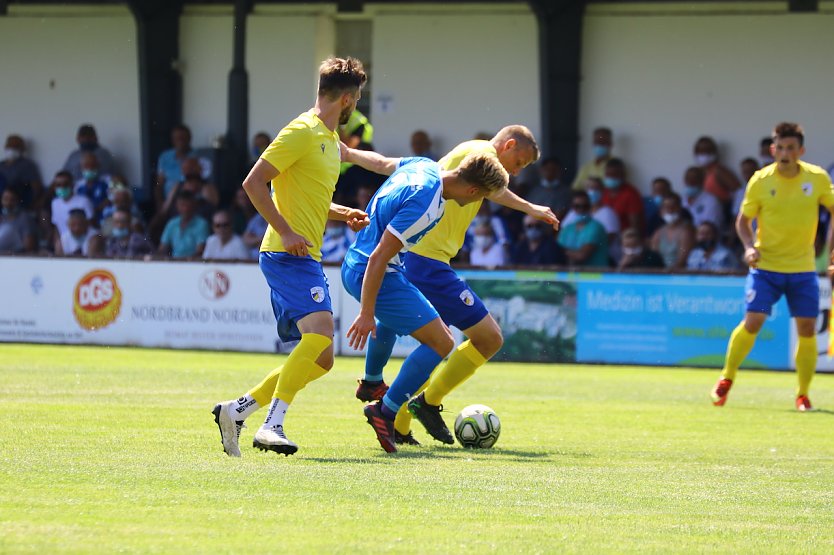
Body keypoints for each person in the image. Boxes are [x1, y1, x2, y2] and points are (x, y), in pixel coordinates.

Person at [350, 126, 556, 446]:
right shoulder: (481, 155)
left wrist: (347, 154)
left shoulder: (472, 158)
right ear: (509, 145)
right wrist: (531, 208)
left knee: (433, 340)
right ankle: (421, 404)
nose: (517, 171)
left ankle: (397, 415)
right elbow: (491, 189)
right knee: (484, 338)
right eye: (520, 161)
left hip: (427, 259)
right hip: (425, 261)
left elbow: (388, 165)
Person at [210, 57, 369, 457]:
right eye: (357, 100)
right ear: (347, 98)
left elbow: (306, 195)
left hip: (304, 254)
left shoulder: (331, 141)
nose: (356, 108)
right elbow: (254, 182)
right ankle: (272, 425)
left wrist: (341, 212)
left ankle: (236, 410)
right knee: (318, 333)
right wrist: (285, 231)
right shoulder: (301, 130)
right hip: (285, 253)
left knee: (322, 358)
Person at [340, 147, 509, 452]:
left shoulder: (423, 166)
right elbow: (379, 258)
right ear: (472, 190)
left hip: (356, 263)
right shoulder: (427, 204)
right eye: (481, 198)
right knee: (442, 342)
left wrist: (348, 152)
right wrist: (365, 311)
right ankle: (385, 411)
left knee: (390, 322)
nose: (477, 204)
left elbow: (381, 162)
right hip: (374, 271)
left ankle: (372, 381)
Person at [711, 122, 834, 412]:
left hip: (802, 268)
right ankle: (727, 377)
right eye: (780, 147)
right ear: (772, 149)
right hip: (766, 267)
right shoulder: (760, 180)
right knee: (753, 321)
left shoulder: (816, 178)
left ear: (801, 151)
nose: (785, 153)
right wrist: (749, 247)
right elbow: (743, 221)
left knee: (806, 329)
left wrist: (831, 257)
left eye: (791, 148)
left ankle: (802, 395)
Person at [155, 124, 212, 208]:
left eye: (183, 138)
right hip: (168, 202)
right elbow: (159, 184)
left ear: (189, 139)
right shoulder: (165, 156)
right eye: (176, 138)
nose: (180, 141)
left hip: (189, 201)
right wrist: (159, 203)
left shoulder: (198, 155)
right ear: (172, 140)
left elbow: (202, 181)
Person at [558, 191, 609, 268]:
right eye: (577, 206)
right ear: (572, 207)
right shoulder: (567, 228)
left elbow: (581, 256)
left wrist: (564, 252)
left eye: (585, 206)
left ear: (590, 206)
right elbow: (556, 251)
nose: (581, 209)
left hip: (596, 275)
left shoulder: (596, 227)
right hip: (572, 275)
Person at [157, 190, 210, 259]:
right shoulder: (172, 223)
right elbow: (162, 248)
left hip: (193, 264)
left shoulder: (202, 224)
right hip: (173, 263)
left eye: (188, 205)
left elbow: (200, 251)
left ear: (194, 205)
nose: (185, 209)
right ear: (177, 206)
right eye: (182, 205)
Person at [650, 193, 695, 270]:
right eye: (666, 207)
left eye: (673, 207)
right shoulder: (658, 232)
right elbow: (654, 257)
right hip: (660, 274)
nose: (670, 210)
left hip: (678, 275)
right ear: (661, 211)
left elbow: (682, 260)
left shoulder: (687, 231)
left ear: (680, 209)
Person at [693, 135, 740, 206]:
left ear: (714, 152)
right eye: (700, 151)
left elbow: (738, 192)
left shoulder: (719, 171)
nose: (703, 155)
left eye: (707, 151)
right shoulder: (698, 172)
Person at [600, 157, 644, 234]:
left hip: (623, 237)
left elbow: (635, 226)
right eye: (608, 174)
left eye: (614, 175)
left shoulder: (631, 194)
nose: (610, 177)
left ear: (623, 175)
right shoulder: (604, 191)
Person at [1, 134, 43, 209]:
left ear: (21, 149)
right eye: (10, 146)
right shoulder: (2, 165)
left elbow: (36, 186)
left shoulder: (27, 165)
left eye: (15, 147)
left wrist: (33, 202)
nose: (11, 149)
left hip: (18, 197)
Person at [50, 171, 94, 238]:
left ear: (72, 185)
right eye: (58, 185)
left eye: (65, 184)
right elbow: (57, 227)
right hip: (64, 242)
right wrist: (57, 244)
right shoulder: (55, 203)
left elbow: (90, 225)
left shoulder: (84, 201)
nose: (62, 187)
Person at [682, 166, 724, 230]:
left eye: (694, 178)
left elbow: (709, 227)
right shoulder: (682, 200)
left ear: (702, 180)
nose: (690, 181)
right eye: (688, 178)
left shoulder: (711, 201)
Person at [0, 188, 36, 253]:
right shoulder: (1, 218)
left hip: (15, 258)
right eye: (5, 199)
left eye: (12, 200)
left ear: (18, 201)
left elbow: (29, 246)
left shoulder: (24, 218)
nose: (8, 203)